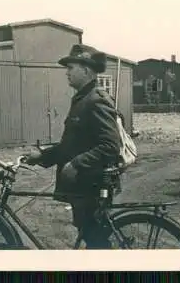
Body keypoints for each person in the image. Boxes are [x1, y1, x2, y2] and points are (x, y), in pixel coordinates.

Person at [25, 44, 122, 249]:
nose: (67, 72)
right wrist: (41, 156)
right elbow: (72, 146)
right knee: (92, 239)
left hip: (92, 187)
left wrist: (77, 163)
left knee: (97, 244)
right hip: (83, 188)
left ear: (86, 70)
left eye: (71, 67)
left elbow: (111, 145)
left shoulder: (96, 100)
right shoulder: (82, 99)